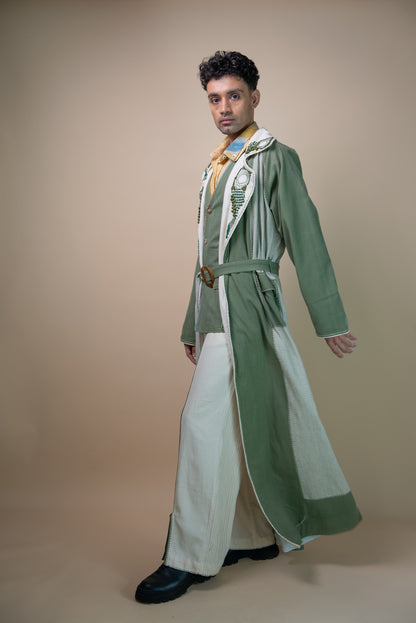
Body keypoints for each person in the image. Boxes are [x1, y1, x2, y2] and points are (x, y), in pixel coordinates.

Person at [135, 51, 361, 605]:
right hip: (216, 308)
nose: (224, 108)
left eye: (234, 96)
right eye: (214, 98)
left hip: (252, 304)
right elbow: (206, 257)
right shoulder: (216, 165)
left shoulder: (275, 157)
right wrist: (193, 321)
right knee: (236, 422)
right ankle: (248, 535)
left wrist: (328, 317)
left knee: (202, 423)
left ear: (254, 97)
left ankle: (188, 557)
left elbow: (305, 236)